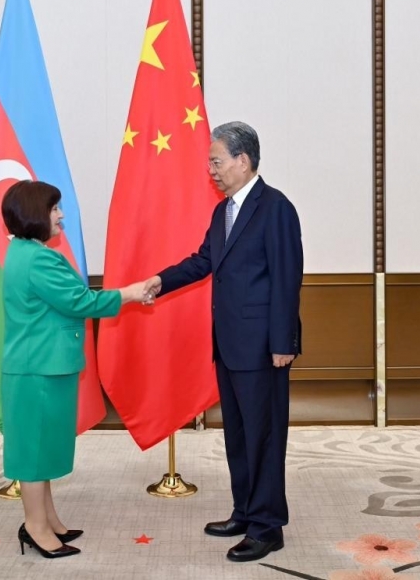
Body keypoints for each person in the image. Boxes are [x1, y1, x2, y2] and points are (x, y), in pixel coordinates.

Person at [142, 121, 303, 562]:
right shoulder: (223, 211)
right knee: (239, 435)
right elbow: (203, 262)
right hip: (230, 344)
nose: (211, 170)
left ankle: (268, 527)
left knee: (265, 437)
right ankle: (245, 511)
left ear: (242, 160)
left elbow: (287, 279)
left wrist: (283, 342)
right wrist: (160, 280)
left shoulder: (276, 208)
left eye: (216, 161)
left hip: (264, 348)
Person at [0, 180, 148, 559]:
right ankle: (35, 527)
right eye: (54, 209)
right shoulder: (38, 259)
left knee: (43, 447)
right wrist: (131, 293)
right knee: (34, 453)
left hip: (43, 365)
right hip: (39, 367)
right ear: (35, 213)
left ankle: (47, 519)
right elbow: (78, 301)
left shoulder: (25, 252)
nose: (60, 215)